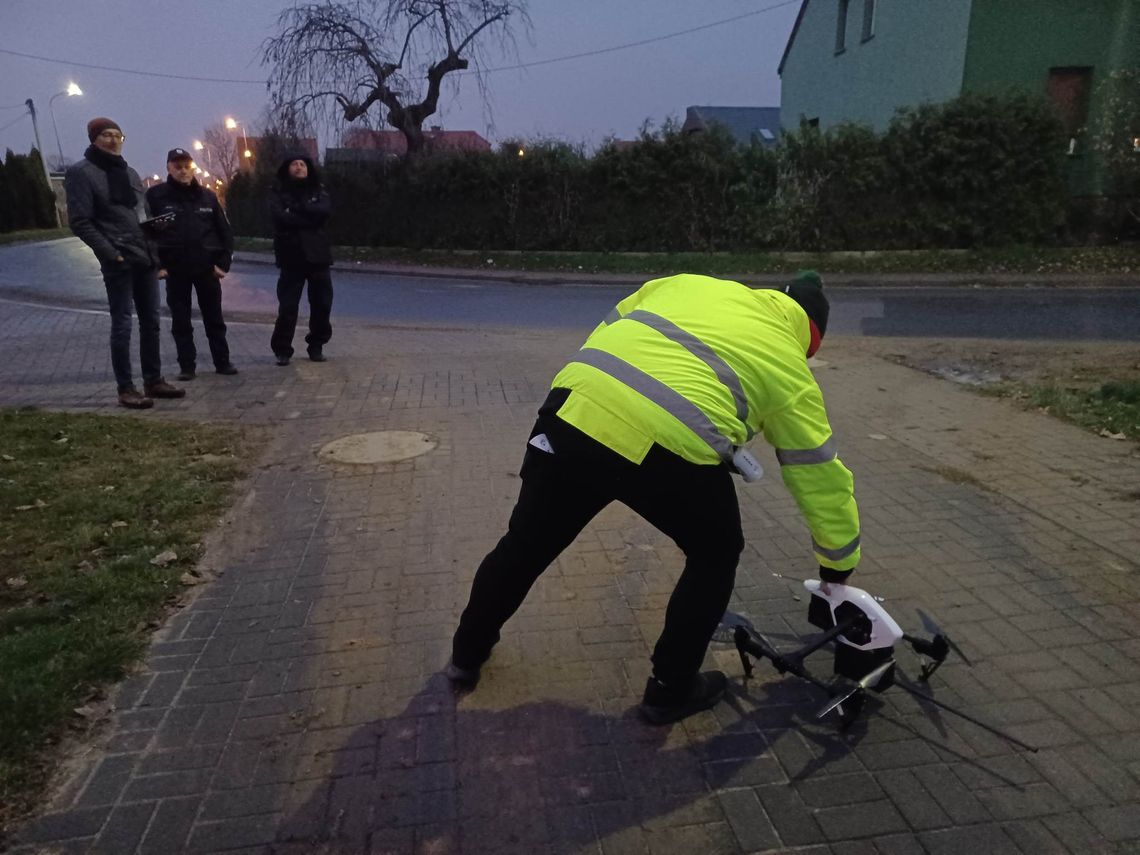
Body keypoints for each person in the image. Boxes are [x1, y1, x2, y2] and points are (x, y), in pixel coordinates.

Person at [447, 271, 861, 725]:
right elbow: (818, 475)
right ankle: (670, 688)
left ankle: (467, 651)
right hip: (667, 447)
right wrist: (837, 563)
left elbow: (613, 325)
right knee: (716, 552)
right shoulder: (790, 365)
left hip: (574, 407)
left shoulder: (690, 283)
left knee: (526, 541)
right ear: (808, 336)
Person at [65, 118, 184, 409]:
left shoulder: (129, 172)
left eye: (118, 135)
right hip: (118, 260)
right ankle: (126, 388)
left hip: (144, 255)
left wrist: (155, 233)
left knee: (152, 323)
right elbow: (80, 221)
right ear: (94, 138)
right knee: (122, 324)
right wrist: (111, 253)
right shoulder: (81, 173)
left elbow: (141, 213)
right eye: (107, 135)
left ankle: (153, 380)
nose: (114, 140)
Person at [145, 148, 238, 380]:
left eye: (187, 166)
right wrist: (158, 265)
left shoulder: (207, 196)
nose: (183, 171)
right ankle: (187, 366)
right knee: (181, 320)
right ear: (169, 168)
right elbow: (147, 234)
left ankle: (222, 362)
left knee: (214, 319)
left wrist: (223, 263)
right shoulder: (156, 197)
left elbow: (224, 232)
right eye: (177, 167)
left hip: (207, 269)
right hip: (175, 270)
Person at [269, 153, 333, 365]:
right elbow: (280, 217)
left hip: (318, 257)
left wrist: (296, 210)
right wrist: (308, 216)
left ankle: (316, 345)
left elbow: (323, 212)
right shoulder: (278, 192)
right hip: (291, 257)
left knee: (322, 305)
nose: (299, 167)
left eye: (302, 164)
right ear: (287, 168)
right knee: (288, 307)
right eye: (294, 164)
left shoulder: (319, 190)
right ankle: (283, 349)